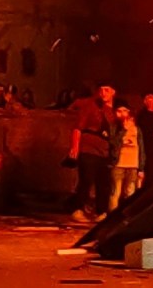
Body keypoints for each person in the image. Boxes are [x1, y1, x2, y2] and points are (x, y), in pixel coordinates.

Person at [68, 82, 116, 223]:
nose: (103, 93)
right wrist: (75, 147)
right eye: (101, 90)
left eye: (107, 90)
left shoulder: (114, 111)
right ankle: (78, 209)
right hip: (89, 148)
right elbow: (78, 128)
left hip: (105, 151)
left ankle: (101, 211)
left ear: (113, 92)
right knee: (86, 179)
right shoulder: (90, 107)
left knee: (104, 182)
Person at [107, 100, 144, 212]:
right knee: (115, 193)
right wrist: (123, 130)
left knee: (130, 193)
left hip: (133, 165)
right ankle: (111, 219)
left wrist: (141, 168)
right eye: (119, 111)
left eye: (125, 111)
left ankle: (126, 218)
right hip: (118, 164)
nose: (122, 114)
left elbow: (141, 148)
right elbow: (113, 143)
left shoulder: (137, 129)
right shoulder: (114, 127)